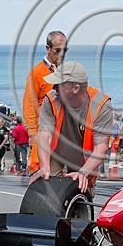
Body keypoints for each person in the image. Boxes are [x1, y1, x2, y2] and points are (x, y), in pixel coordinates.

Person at [30, 61, 112, 194]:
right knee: (45, 188)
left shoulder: (100, 105)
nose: (54, 88)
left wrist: (83, 173)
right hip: (56, 152)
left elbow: (101, 147)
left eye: (58, 85)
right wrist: (44, 167)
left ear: (75, 88)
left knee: (81, 190)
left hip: (83, 157)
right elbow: (45, 136)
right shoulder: (51, 100)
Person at [23, 30, 68, 147]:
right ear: (48, 48)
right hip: (43, 131)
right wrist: (32, 134)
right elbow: (29, 104)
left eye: (64, 50)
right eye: (57, 50)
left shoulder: (65, 71)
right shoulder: (36, 73)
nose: (61, 54)